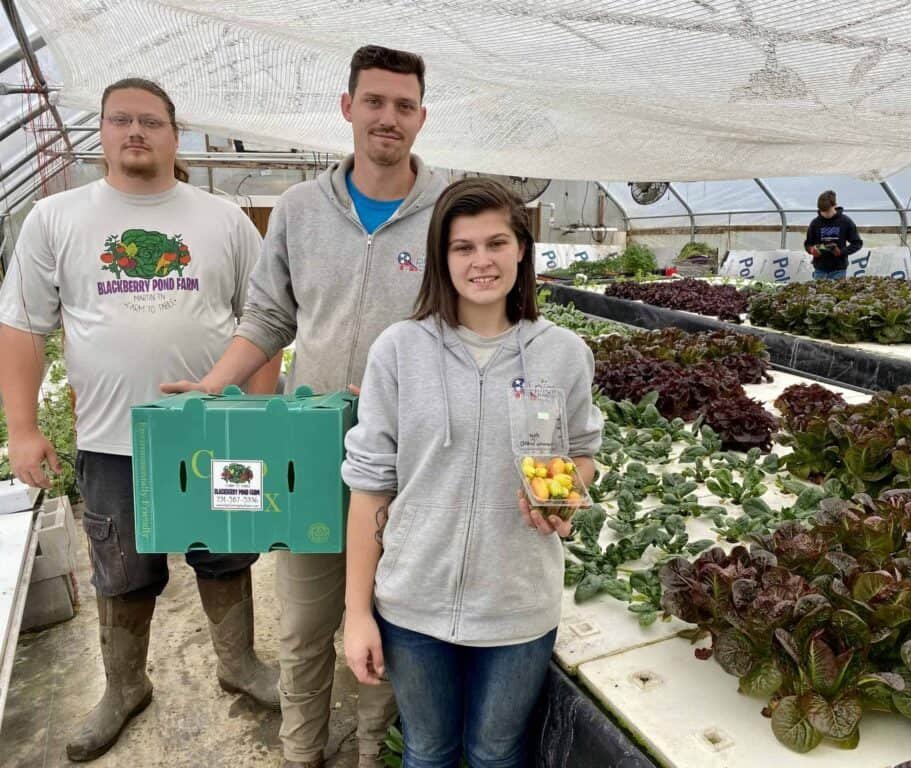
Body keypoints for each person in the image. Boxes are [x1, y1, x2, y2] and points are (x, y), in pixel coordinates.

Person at [161, 45, 446, 768]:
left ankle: (367, 749)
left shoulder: (448, 211)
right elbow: (266, 318)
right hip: (311, 455)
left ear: (421, 117)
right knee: (304, 624)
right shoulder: (298, 210)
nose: (389, 117)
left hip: (411, 458)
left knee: (392, 619)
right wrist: (213, 385)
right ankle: (301, 752)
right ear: (348, 109)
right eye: (374, 102)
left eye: (403, 105)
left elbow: (471, 323)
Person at [0, 78, 282, 762]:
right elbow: (21, 327)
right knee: (120, 568)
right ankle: (125, 686)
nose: (135, 131)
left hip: (216, 435)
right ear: (101, 130)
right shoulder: (57, 218)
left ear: (173, 134)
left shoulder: (220, 218)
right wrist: (24, 429)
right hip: (110, 438)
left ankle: (238, 664)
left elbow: (266, 320)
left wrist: (261, 416)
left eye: (150, 121)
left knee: (225, 553)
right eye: (121, 120)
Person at [341, 177, 604, 768]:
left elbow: (583, 452)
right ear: (442, 258)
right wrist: (357, 613)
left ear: (521, 251)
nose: (481, 261)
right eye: (463, 247)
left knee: (495, 753)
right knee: (428, 751)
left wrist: (562, 494)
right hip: (413, 602)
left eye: (496, 243)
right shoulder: (400, 349)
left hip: (517, 605)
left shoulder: (562, 352)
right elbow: (368, 486)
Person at [804, 189, 863, 280]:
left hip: (839, 269)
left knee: (836, 293)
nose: (825, 214)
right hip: (820, 269)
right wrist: (812, 250)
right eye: (822, 211)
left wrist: (841, 252)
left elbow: (857, 243)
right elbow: (808, 243)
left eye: (828, 211)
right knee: (818, 293)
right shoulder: (815, 223)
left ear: (835, 205)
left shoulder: (845, 221)